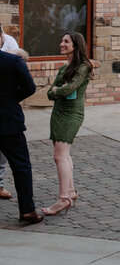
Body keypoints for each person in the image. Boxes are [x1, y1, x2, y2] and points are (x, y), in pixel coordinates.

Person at [42, 32, 92, 216]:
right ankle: (70, 192)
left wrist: (58, 90)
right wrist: (58, 90)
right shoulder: (65, 67)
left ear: (75, 45)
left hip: (71, 114)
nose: (61, 44)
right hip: (58, 113)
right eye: (62, 41)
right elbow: (50, 92)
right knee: (64, 154)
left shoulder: (84, 67)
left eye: (66, 41)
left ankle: (63, 199)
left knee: (59, 156)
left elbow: (70, 88)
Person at [0, 47, 42, 225]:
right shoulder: (12, 61)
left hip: (9, 121)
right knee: (21, 166)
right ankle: (27, 210)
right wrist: (11, 99)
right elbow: (30, 87)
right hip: (9, 121)